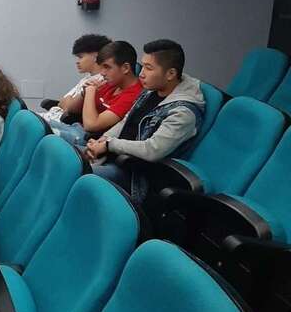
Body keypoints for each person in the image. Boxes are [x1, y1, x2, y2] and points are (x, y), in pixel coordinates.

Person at [86, 39, 205, 202]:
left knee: (76, 174)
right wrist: (101, 142)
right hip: (113, 157)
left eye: (149, 68)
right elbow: (125, 122)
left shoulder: (183, 112)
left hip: (136, 176)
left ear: (170, 74)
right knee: (64, 161)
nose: (141, 74)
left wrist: (108, 145)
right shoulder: (150, 91)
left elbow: (152, 149)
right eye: (143, 66)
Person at [50, 40, 143, 146]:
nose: (102, 73)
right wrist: (84, 93)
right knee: (36, 124)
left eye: (107, 67)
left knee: (41, 133)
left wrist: (90, 91)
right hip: (74, 128)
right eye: (101, 67)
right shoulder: (111, 83)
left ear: (125, 68)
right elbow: (71, 109)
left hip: (88, 140)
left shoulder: (134, 95)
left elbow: (91, 126)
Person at [41, 34, 112, 122]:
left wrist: (67, 103)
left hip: (60, 123)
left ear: (96, 56)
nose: (77, 62)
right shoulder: (87, 78)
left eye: (80, 57)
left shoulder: (100, 81)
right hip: (51, 117)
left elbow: (68, 106)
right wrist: (66, 103)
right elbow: (62, 102)